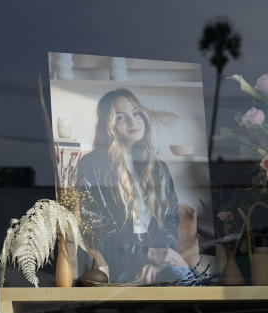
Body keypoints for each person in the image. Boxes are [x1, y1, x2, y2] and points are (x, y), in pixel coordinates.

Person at [78, 88, 189, 283]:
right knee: (185, 279)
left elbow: (170, 220)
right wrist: (146, 253)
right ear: (108, 125)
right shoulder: (92, 165)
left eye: (136, 112)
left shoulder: (159, 167)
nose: (132, 121)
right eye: (121, 117)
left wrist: (160, 258)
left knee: (185, 275)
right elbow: (96, 228)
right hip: (119, 258)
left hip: (157, 255)